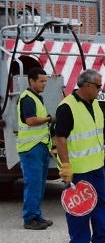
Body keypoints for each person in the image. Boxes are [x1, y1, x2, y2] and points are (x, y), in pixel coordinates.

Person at [54, 69, 105, 243]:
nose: (101, 89)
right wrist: (66, 166)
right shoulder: (67, 107)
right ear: (87, 85)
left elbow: (96, 134)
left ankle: (102, 240)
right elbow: (60, 138)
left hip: (96, 166)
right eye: (99, 86)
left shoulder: (96, 104)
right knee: (80, 205)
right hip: (78, 169)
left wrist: (104, 154)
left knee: (101, 202)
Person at [17, 67, 55, 230]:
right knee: (33, 184)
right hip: (30, 148)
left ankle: (37, 216)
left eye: (45, 81)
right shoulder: (27, 99)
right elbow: (31, 121)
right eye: (41, 81)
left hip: (39, 147)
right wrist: (49, 118)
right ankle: (30, 218)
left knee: (39, 184)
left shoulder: (37, 98)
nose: (44, 84)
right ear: (31, 81)